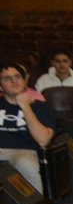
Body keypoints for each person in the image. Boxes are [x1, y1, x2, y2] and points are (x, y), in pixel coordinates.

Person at [0, 62, 55, 190]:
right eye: (7, 78)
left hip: (24, 152)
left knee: (26, 164)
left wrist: (25, 106)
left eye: (17, 77)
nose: (14, 81)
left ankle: (36, 203)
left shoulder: (41, 107)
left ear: (24, 81)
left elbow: (43, 140)